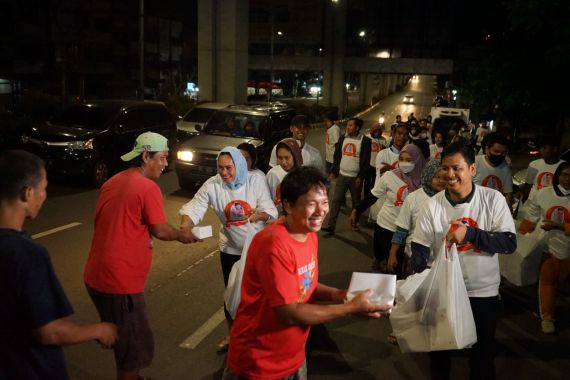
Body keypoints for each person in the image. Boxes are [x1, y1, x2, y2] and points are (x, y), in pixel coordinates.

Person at [223, 166, 391, 380]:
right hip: (258, 364)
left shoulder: (307, 232)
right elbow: (288, 313)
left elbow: (306, 284)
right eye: (311, 204)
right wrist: (349, 308)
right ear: (288, 205)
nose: (321, 211)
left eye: (324, 202)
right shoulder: (274, 245)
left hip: (293, 356)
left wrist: (343, 295)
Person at [84, 132, 197, 380]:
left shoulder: (114, 181)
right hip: (119, 283)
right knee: (132, 353)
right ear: (146, 156)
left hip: (96, 276)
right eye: (163, 158)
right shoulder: (147, 188)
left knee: (124, 345)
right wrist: (182, 234)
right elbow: (160, 230)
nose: (166, 164)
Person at [0, 150, 118, 380]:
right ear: (27, 192)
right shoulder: (27, 255)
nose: (44, 195)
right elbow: (49, 331)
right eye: (43, 187)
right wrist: (100, 329)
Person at [410, 141, 517, 380]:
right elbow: (419, 249)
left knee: (482, 356)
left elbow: (508, 243)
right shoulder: (432, 205)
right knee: (439, 353)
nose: (450, 174)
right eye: (445, 168)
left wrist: (469, 234)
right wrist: (414, 293)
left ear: (472, 169)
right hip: (443, 291)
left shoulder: (493, 200)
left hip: (482, 293)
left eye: (456, 168)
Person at [179, 146, 278, 352]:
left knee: (260, 294)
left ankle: (261, 335)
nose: (224, 173)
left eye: (229, 168)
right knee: (231, 293)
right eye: (220, 168)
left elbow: (270, 211)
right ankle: (233, 335)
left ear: (239, 166)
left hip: (258, 248)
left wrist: (254, 216)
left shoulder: (255, 180)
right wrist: (185, 226)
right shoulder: (213, 185)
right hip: (230, 248)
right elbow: (195, 206)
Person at [350, 143, 426, 276]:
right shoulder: (390, 176)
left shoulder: (425, 183)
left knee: (402, 267)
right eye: (401, 159)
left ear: (418, 160)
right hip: (386, 226)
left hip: (409, 232)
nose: (404, 163)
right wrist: (357, 210)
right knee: (390, 267)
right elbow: (373, 196)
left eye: (409, 160)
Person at [519, 161, 570, 334]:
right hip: (548, 247)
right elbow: (531, 217)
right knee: (548, 282)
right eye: (564, 175)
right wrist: (522, 237)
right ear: (557, 176)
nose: (567, 179)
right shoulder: (544, 194)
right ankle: (547, 317)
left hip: (567, 249)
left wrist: (559, 226)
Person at [387, 159, 446, 277]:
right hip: (413, 258)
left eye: (445, 178)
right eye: (437, 177)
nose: (441, 181)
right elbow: (401, 230)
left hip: (440, 262)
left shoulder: (450, 199)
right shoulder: (413, 198)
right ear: (428, 175)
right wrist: (392, 254)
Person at [322, 117, 371, 235]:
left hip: (355, 178)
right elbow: (338, 156)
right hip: (342, 175)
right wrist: (334, 171)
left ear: (357, 128)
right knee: (336, 201)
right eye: (347, 125)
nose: (347, 127)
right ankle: (331, 226)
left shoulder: (365, 141)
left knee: (356, 203)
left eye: (350, 125)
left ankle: (355, 223)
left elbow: (366, 161)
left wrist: (361, 177)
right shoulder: (343, 137)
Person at [474, 132, 514, 211]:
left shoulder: (505, 168)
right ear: (487, 149)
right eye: (496, 152)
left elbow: (508, 194)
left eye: (503, 153)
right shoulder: (475, 162)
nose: (499, 155)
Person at [520, 136, 564, 204]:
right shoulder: (534, 165)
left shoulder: (564, 167)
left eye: (544, 148)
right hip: (534, 204)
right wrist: (524, 203)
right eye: (540, 148)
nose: (541, 150)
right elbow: (528, 186)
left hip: (553, 204)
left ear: (555, 149)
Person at [266, 138, 303, 212]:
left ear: (295, 156)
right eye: (280, 158)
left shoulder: (303, 174)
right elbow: (267, 200)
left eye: (287, 158)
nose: (283, 162)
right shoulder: (273, 174)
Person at [365, 122, 388, 193]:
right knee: (367, 182)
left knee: (375, 182)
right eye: (375, 131)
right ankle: (366, 196)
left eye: (378, 131)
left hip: (378, 165)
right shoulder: (367, 137)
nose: (377, 133)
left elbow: (385, 152)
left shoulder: (383, 140)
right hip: (369, 163)